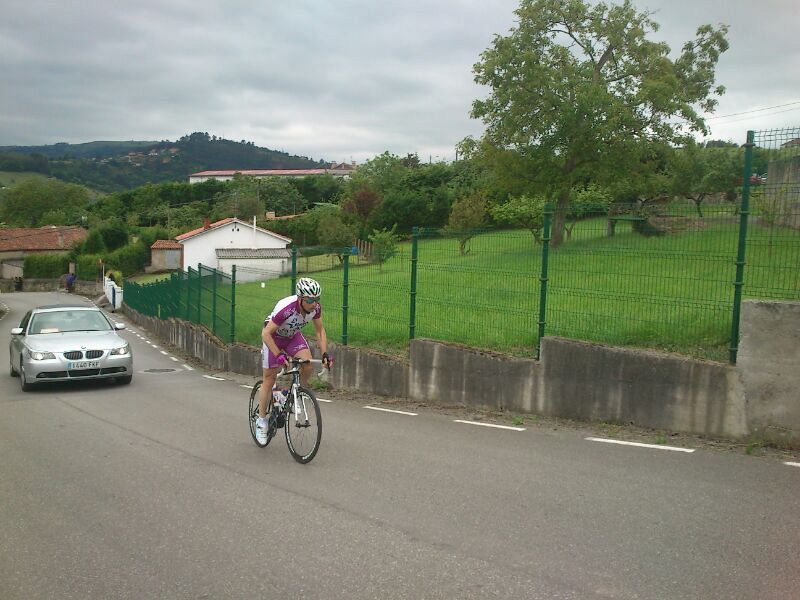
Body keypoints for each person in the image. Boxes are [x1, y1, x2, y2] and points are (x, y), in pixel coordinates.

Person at [255, 277, 332, 444]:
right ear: (300, 298)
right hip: (273, 337)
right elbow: (265, 334)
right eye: (310, 300)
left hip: (292, 336)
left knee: (307, 364)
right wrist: (278, 354)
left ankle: (294, 394)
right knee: (269, 379)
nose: (314, 303)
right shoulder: (287, 309)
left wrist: (325, 353)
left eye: (317, 299)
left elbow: (320, 331)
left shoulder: (315, 308)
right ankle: (261, 421)